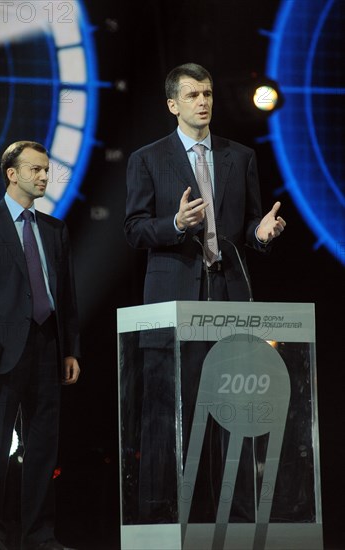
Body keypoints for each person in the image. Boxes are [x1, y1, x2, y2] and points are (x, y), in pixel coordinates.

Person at [124, 63, 286, 523]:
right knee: (168, 410)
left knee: (230, 407)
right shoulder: (148, 159)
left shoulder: (241, 156)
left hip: (229, 297)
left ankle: (231, 515)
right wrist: (175, 225)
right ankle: (163, 512)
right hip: (174, 298)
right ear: (173, 105)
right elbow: (134, 230)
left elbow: (251, 229)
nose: (204, 101)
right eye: (193, 94)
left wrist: (264, 233)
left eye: (209, 93)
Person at [0, 141, 81, 550]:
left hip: (47, 347)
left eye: (46, 170)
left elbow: (68, 296)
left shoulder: (55, 230)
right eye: (36, 169)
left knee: (43, 450)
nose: (44, 176)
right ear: (12, 173)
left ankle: (40, 534)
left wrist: (70, 348)